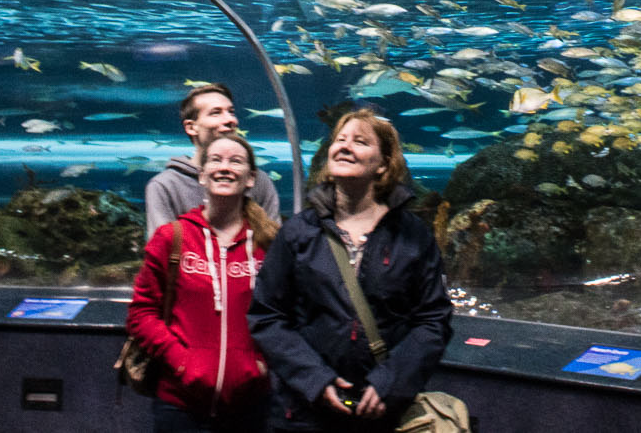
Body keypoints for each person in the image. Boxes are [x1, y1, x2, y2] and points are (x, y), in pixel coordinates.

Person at [249, 109, 453, 430]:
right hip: (305, 411)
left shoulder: (412, 236)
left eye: (360, 141)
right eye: (339, 140)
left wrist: (390, 381)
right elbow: (268, 315)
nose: (345, 146)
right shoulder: (299, 232)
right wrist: (314, 379)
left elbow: (433, 320)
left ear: (383, 163)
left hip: (384, 412)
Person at [126, 131, 279, 432]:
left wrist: (260, 364)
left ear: (250, 178)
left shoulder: (270, 244)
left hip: (250, 405)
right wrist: (182, 361)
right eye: (216, 160)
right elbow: (141, 313)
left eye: (236, 161)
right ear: (202, 175)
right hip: (179, 404)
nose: (225, 167)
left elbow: (286, 315)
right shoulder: (172, 238)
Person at [148, 82, 283, 236]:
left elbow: (275, 246)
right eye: (216, 113)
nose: (230, 120)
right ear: (191, 127)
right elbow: (160, 251)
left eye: (231, 112)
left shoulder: (258, 180)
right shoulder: (165, 186)